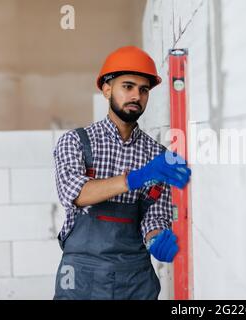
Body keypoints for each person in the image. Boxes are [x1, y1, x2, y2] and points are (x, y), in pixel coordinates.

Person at [52, 46, 191, 300]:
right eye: (127, 86)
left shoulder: (157, 155)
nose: (136, 95)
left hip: (135, 279)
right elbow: (76, 193)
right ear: (107, 89)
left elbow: (154, 217)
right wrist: (135, 178)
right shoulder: (76, 142)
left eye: (144, 89)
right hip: (81, 278)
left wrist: (156, 239)